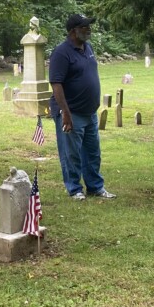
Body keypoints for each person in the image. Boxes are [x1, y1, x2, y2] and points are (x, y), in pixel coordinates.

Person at [48, 14, 116, 201]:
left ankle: (95, 187)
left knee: (92, 152)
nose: (89, 29)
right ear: (73, 31)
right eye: (84, 26)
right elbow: (56, 84)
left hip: (89, 112)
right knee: (71, 154)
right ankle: (74, 189)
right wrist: (65, 114)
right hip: (72, 112)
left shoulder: (88, 48)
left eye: (89, 26)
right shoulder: (62, 53)